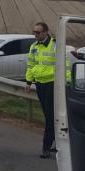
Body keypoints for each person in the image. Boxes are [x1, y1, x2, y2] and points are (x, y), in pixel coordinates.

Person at [25, 21, 60, 158]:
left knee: (50, 117)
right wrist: (28, 81)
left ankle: (46, 147)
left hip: (52, 84)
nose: (35, 34)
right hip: (40, 85)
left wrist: (66, 82)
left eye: (38, 32)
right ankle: (57, 144)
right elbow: (30, 65)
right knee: (48, 115)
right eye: (34, 32)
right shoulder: (34, 47)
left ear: (46, 32)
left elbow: (65, 66)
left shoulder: (56, 46)